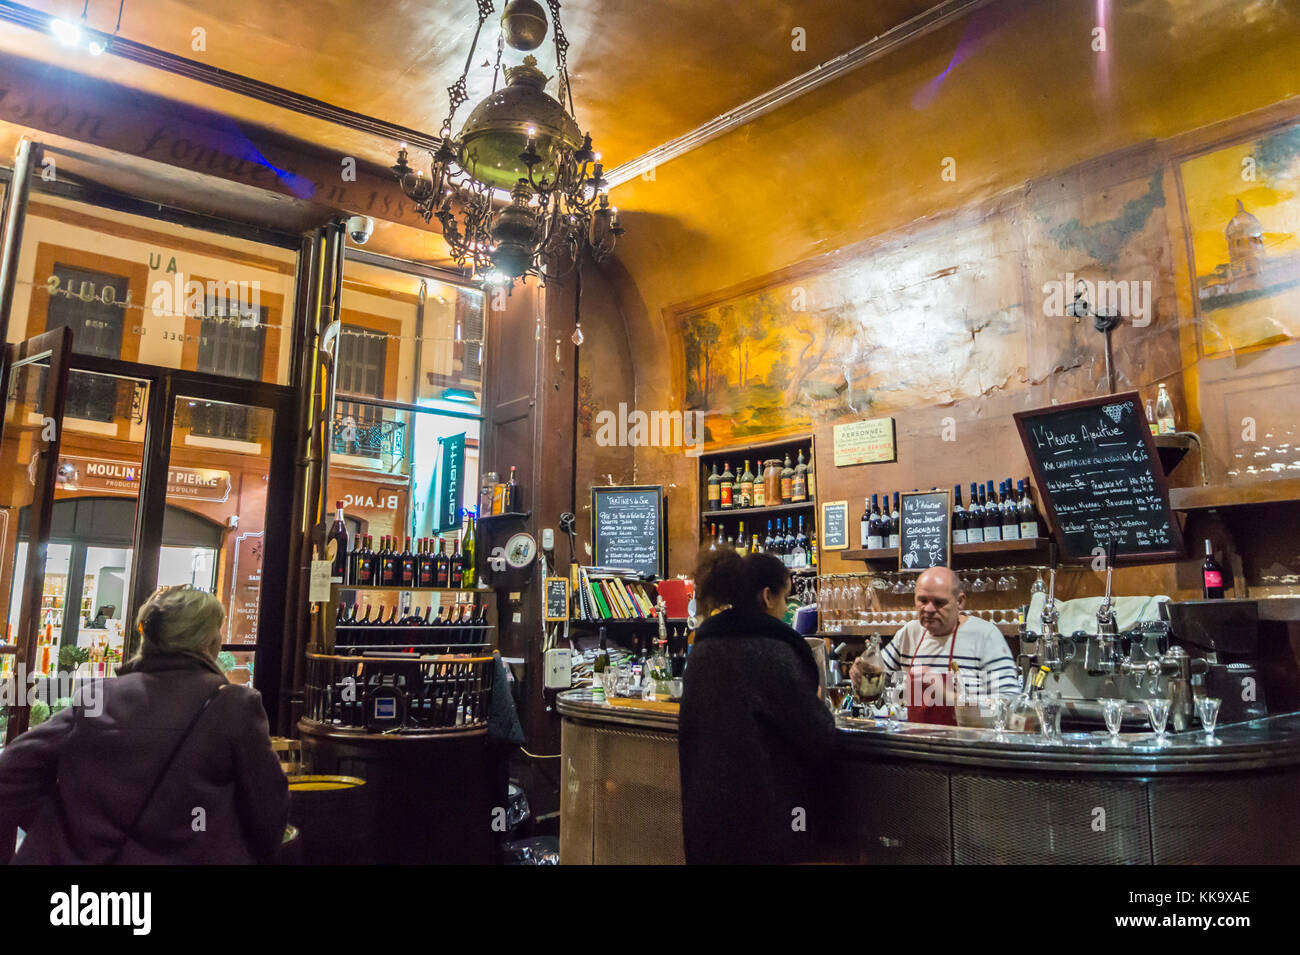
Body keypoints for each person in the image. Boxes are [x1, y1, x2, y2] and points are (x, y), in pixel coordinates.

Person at [0, 586, 289, 864]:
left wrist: (60, 825)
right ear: (207, 640)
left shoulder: (99, 696)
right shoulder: (234, 706)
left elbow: (10, 771)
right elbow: (268, 816)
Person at [678, 548, 835, 864]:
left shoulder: (702, 649)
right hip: (769, 828)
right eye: (786, 599)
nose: (787, 609)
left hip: (708, 823)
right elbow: (819, 737)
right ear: (767, 596)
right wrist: (816, 702)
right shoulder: (774, 653)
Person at [849, 566, 1019, 725]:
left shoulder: (984, 636)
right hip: (917, 747)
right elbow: (876, 687)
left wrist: (947, 696)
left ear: (959, 601)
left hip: (966, 751)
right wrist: (862, 677)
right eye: (922, 601)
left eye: (939, 603)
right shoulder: (909, 634)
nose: (929, 609)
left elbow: (1010, 707)